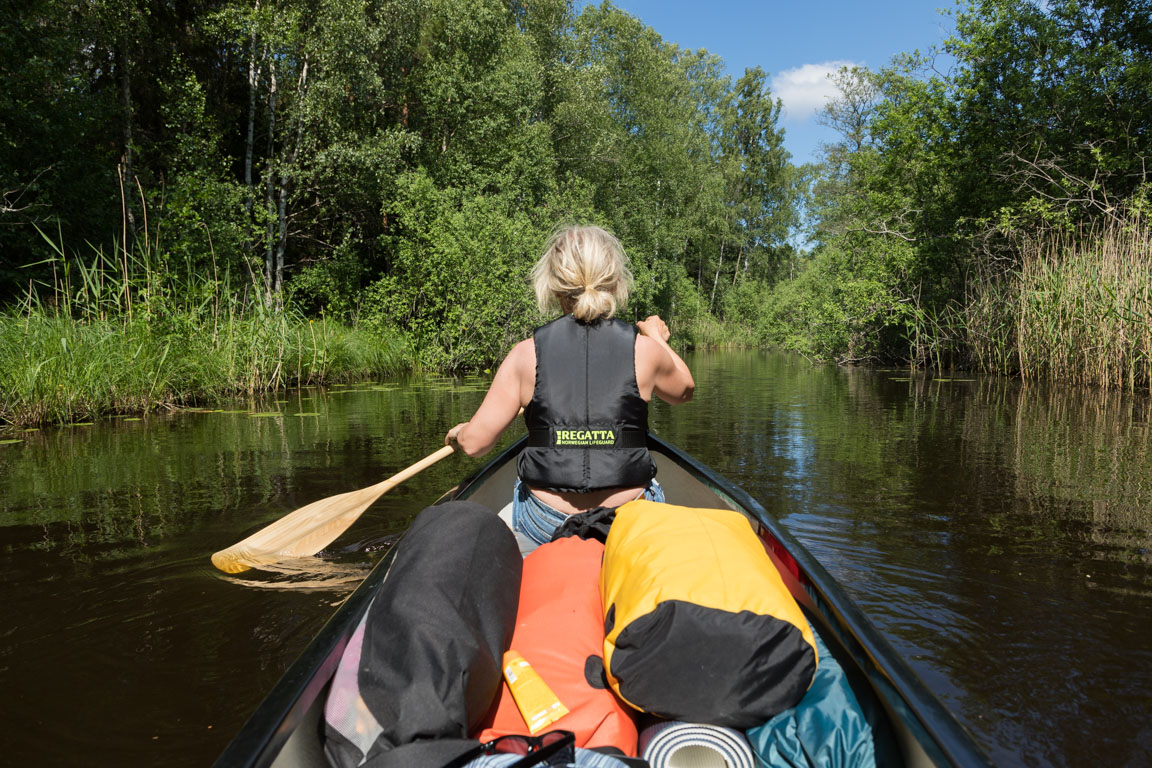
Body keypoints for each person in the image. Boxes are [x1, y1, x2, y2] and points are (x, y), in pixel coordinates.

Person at [445, 225, 694, 547]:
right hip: (628, 518)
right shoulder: (644, 351)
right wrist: (657, 338)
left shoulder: (525, 354)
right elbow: (684, 391)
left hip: (544, 521)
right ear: (616, 280)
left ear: (552, 284)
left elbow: (476, 444)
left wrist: (461, 433)